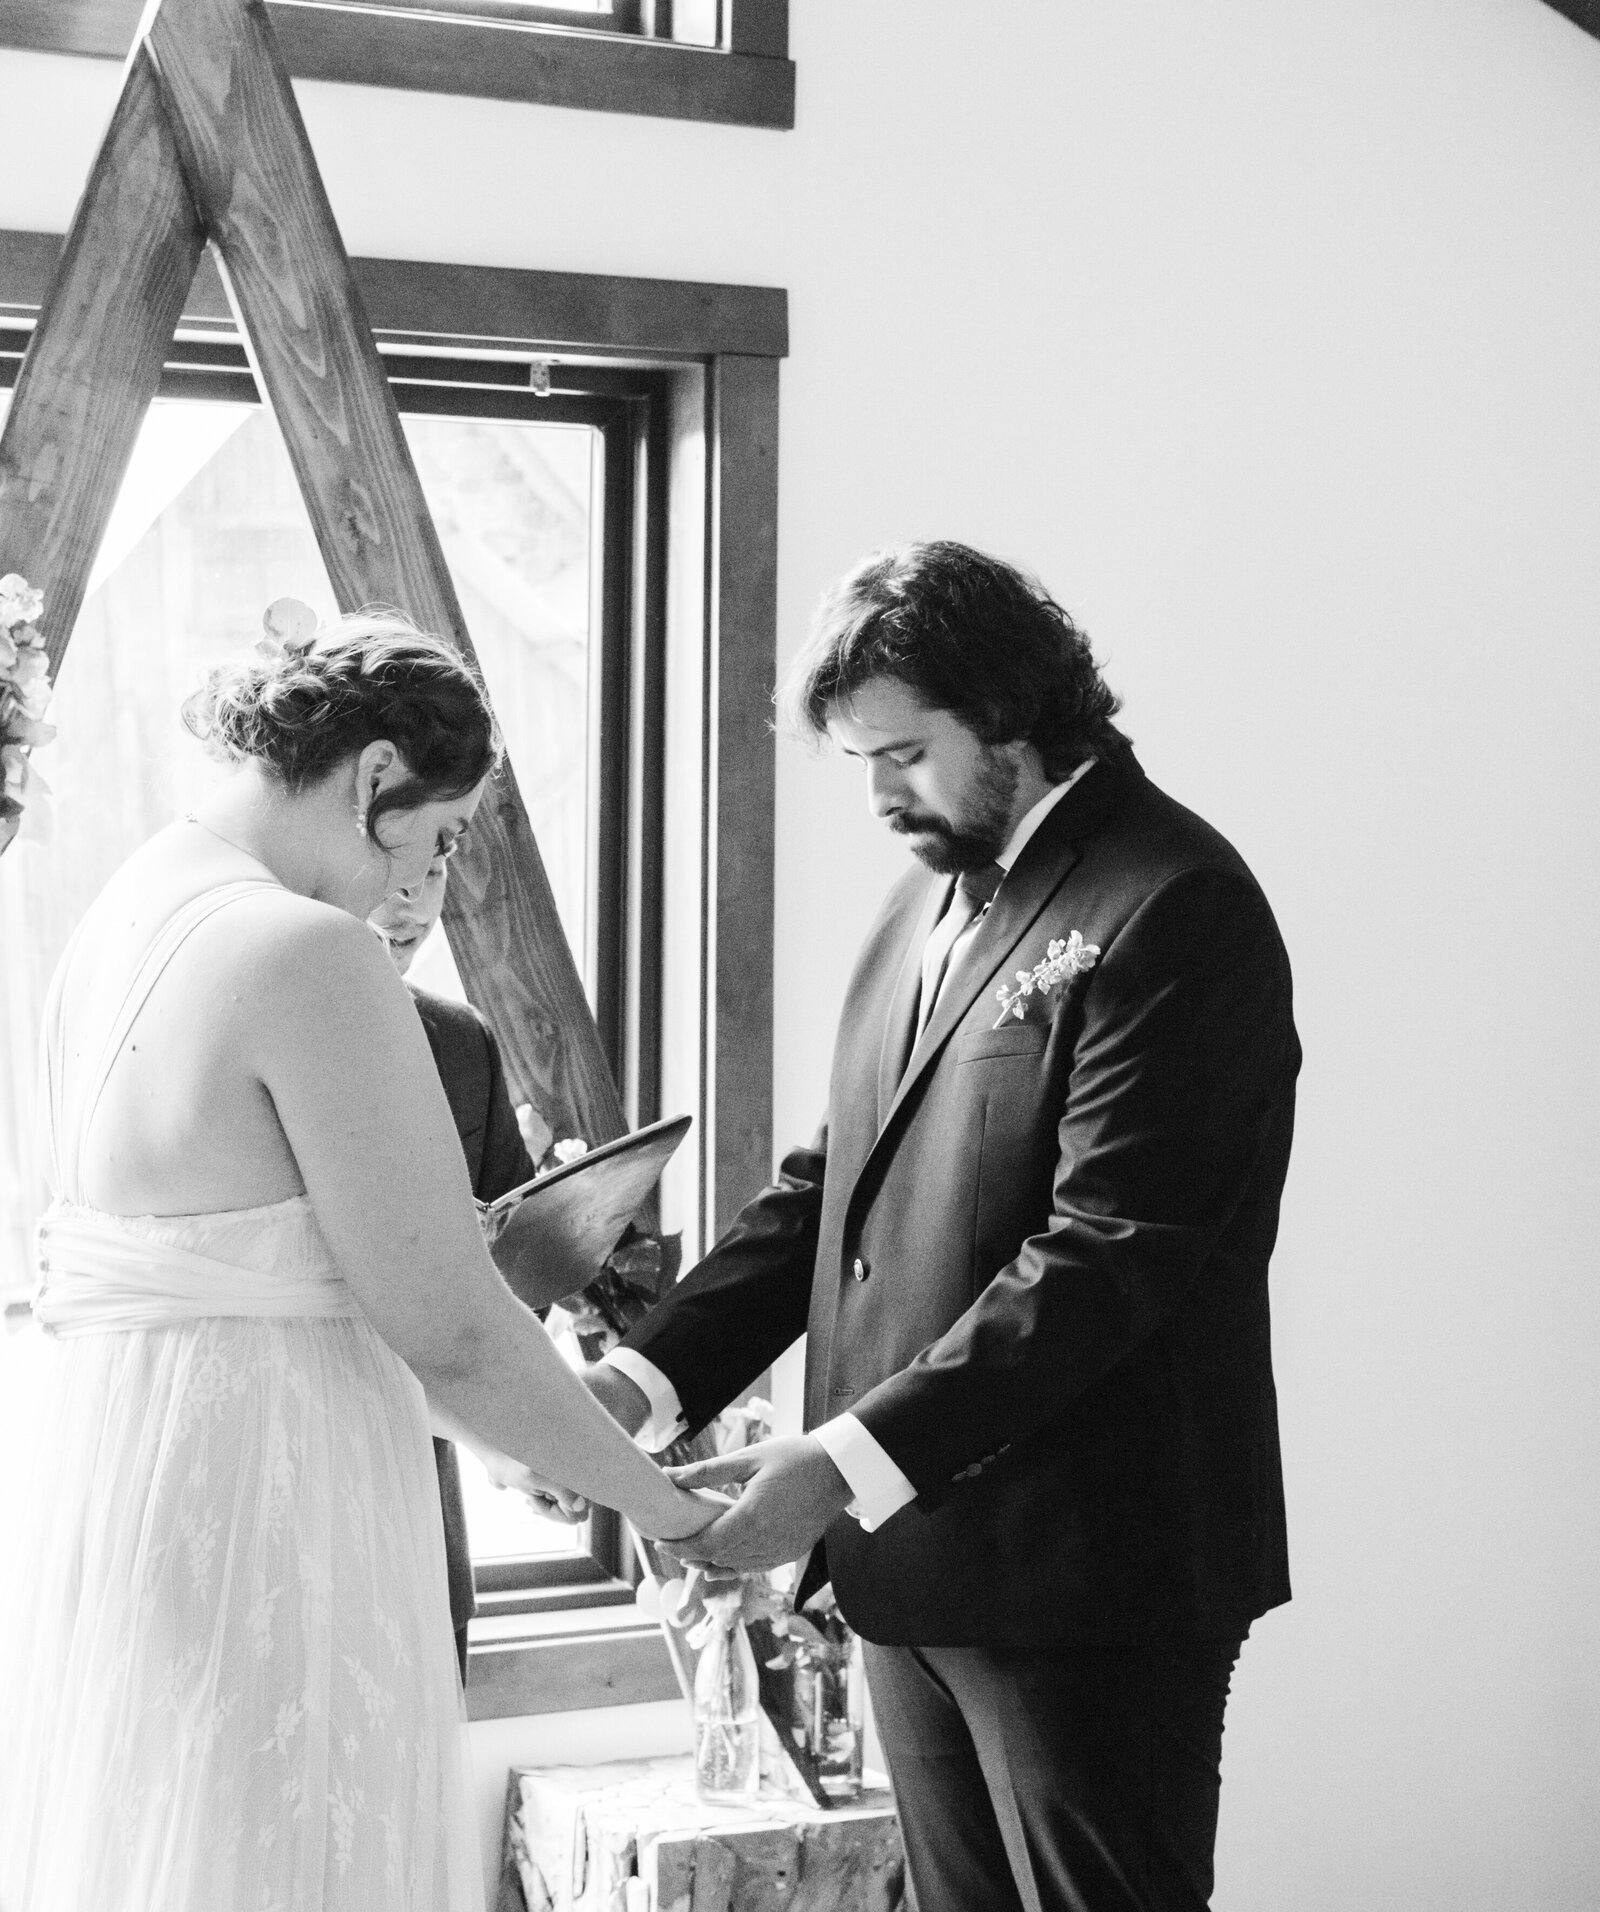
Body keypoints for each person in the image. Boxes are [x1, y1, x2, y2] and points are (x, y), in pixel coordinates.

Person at [583, 542, 1300, 1912]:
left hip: (1091, 1572)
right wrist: (645, 1379)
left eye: (903, 754)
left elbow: (1110, 1255)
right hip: (907, 1570)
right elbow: (829, 1193)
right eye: (860, 760)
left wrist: (846, 1459)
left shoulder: (1175, 905)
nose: (878, 795)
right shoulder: (925, 899)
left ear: (1015, 717)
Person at [0, 610, 716, 1912]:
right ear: (377, 776)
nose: (418, 888)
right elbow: (445, 1324)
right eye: (438, 838)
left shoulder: (115, 922)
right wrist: (675, 1515)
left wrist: (525, 1442)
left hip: (130, 1525)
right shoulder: (304, 954)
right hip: (279, 1523)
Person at [370, 854, 541, 1684]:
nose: (412, 900)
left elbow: (514, 1283)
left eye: (435, 869)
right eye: (394, 868)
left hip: (423, 1513)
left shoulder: (462, 1042)